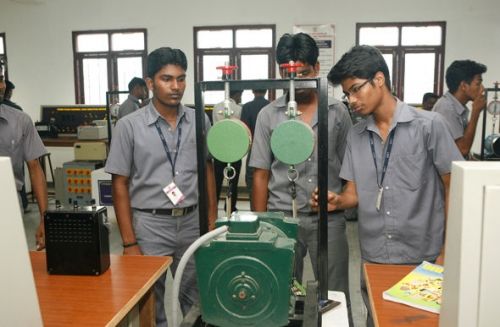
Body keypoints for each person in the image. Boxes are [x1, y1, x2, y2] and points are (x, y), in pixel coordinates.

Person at [314, 45, 463, 327]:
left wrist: (447, 251)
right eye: (347, 94)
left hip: (425, 258)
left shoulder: (429, 126)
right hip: (375, 257)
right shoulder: (357, 136)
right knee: (378, 320)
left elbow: (453, 187)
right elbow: (353, 195)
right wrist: (337, 200)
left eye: (356, 89)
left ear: (379, 80)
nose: (352, 99)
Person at [104, 47, 217, 326]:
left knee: (195, 298)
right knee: (151, 303)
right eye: (167, 79)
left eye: (181, 78)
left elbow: (207, 171)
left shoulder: (199, 119)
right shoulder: (128, 126)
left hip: (192, 222)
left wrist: (211, 222)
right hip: (149, 225)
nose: (176, 86)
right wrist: (129, 242)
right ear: (151, 83)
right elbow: (120, 184)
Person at [250, 32, 352, 323]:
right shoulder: (269, 115)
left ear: (317, 69)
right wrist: (263, 224)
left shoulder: (338, 112)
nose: (295, 81)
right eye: (287, 74)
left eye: (303, 73)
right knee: (279, 290)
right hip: (281, 217)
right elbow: (260, 173)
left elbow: (350, 167)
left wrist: (342, 200)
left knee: (334, 297)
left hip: (328, 218)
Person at [0, 61, 48, 250]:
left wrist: (45, 218)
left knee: (9, 265)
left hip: (10, 204)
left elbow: (35, 168)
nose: (2, 86)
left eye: (2, 79)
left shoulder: (20, 121)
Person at [432, 60, 487, 158]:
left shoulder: (459, 107)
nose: (482, 89)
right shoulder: (446, 108)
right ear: (464, 86)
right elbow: (462, 150)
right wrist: (476, 112)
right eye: (478, 84)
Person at [212, 90, 243, 213]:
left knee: (216, 181)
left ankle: (213, 206)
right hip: (234, 150)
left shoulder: (216, 107)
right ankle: (230, 207)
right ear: (237, 94)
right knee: (233, 181)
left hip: (219, 148)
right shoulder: (238, 108)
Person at [240, 89, 270, 208]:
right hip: (271, 148)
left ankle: (255, 210)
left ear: (252, 91)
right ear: (266, 91)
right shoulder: (270, 106)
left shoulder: (247, 107)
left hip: (254, 148)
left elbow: (244, 130)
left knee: (253, 180)